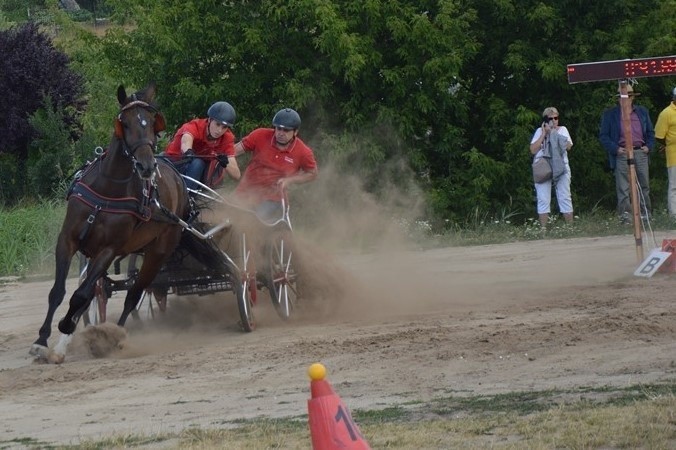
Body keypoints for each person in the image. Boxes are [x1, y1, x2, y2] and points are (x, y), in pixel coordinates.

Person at [233, 107, 318, 222]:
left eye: (286, 130)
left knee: (254, 221)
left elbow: (312, 173)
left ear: (295, 132)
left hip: (273, 198)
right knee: (227, 215)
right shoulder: (260, 135)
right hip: (246, 191)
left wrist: (289, 181)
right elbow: (233, 151)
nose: (281, 133)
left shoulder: (304, 152)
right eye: (278, 129)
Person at [599, 84, 655, 224]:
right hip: (622, 152)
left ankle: (645, 214)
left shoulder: (642, 112)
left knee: (644, 185)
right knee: (623, 186)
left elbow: (650, 133)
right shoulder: (610, 114)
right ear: (618, 98)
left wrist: (648, 147)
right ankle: (626, 217)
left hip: (640, 151)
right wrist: (615, 149)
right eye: (623, 96)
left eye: (629, 95)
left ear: (632, 97)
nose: (626, 98)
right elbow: (604, 136)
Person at [164, 101, 241, 190]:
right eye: (217, 124)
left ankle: (189, 198)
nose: (219, 130)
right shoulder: (195, 125)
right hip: (173, 162)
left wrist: (226, 163)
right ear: (209, 120)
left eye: (224, 127)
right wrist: (188, 151)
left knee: (200, 164)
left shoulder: (227, 138)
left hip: (195, 173)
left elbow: (237, 175)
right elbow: (186, 140)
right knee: (197, 162)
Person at [529, 107, 574, 228]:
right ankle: (543, 228)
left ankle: (570, 228)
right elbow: (533, 150)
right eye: (551, 118)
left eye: (556, 118)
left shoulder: (563, 130)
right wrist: (544, 134)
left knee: (564, 196)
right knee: (543, 198)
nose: (554, 120)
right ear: (545, 119)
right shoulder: (539, 131)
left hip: (561, 166)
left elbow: (568, 146)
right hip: (544, 166)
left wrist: (553, 133)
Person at [654, 87, 676, 218]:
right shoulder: (666, 113)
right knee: (674, 186)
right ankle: (674, 215)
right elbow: (659, 136)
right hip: (674, 155)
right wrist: (667, 144)